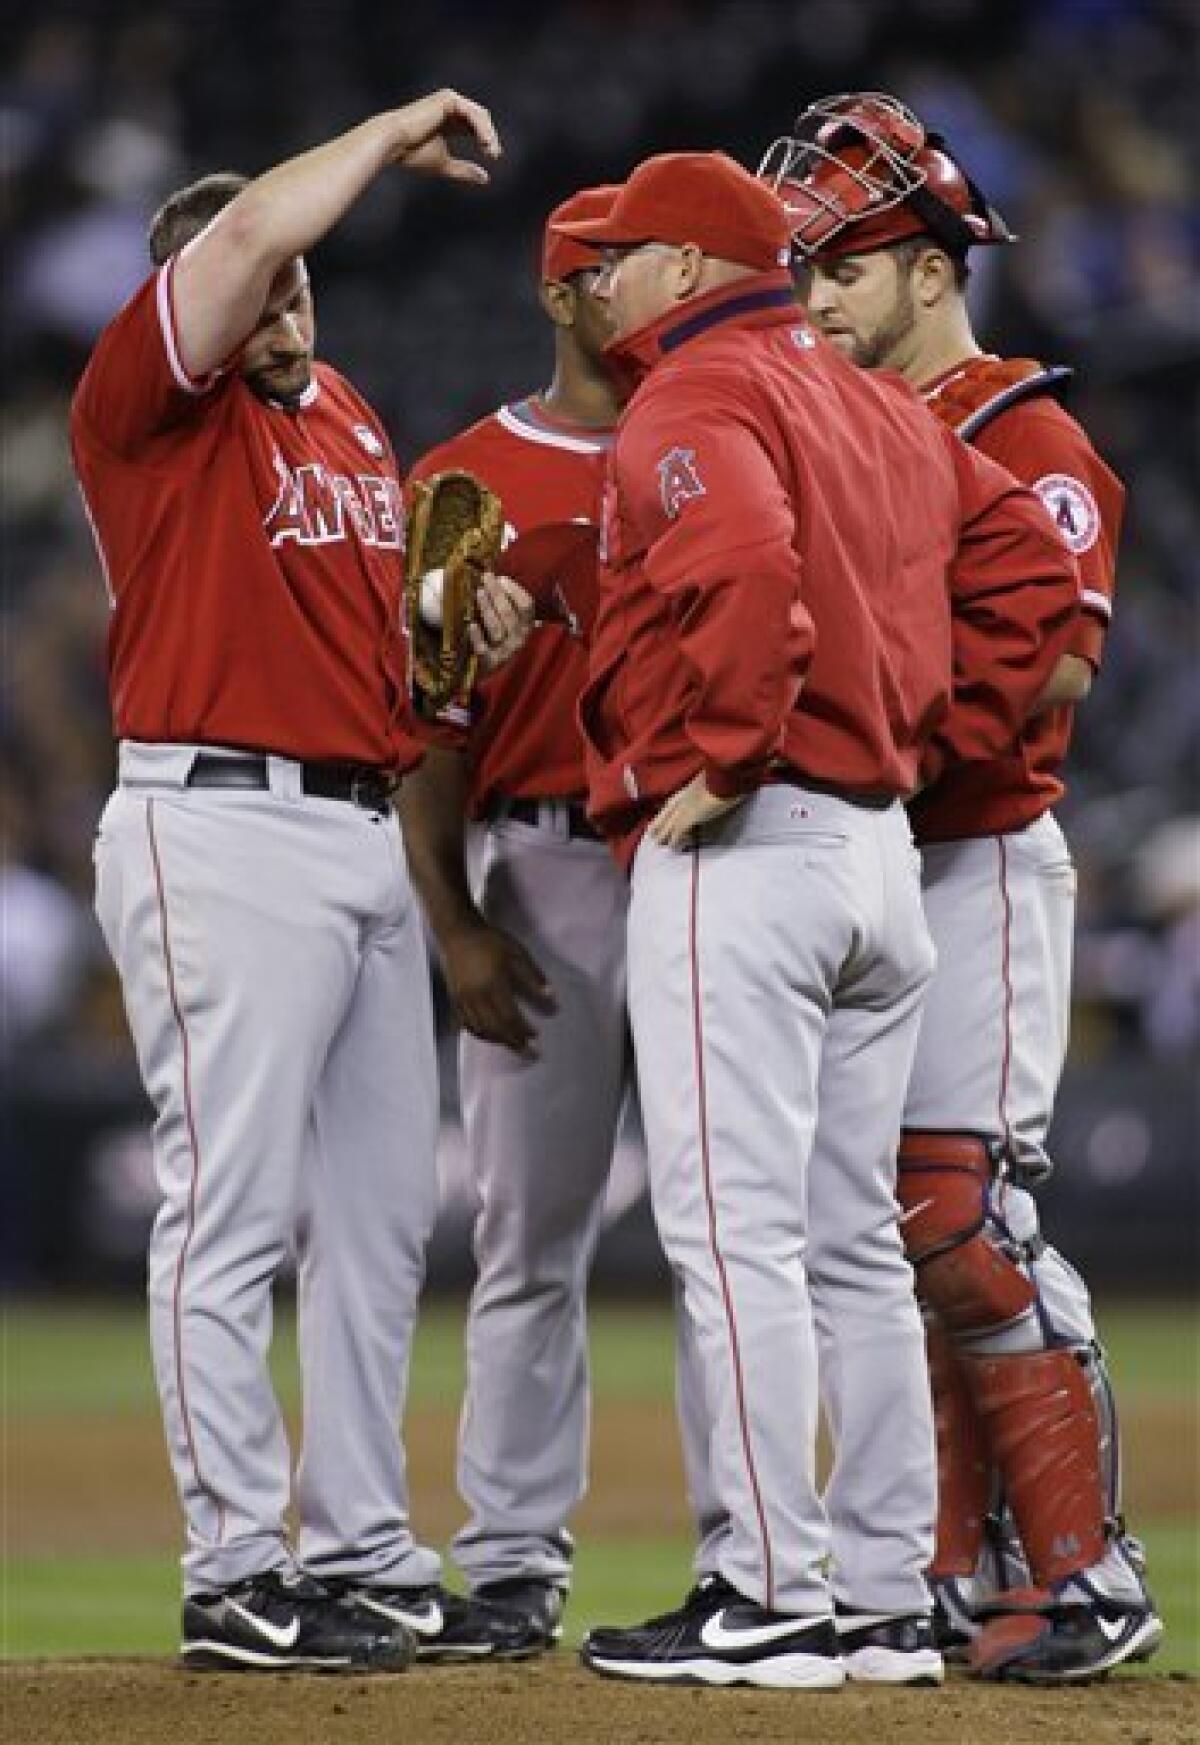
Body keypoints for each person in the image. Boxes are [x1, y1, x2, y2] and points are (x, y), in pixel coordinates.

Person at [553, 150, 1081, 1690]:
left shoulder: (697, 397)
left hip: (757, 850)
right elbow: (1033, 576)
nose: (608, 282)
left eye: (628, 255)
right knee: (853, 1245)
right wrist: (919, 738)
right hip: (874, 858)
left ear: (694, 269)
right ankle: (875, 1598)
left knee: (737, 1236)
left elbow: (742, 565)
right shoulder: (877, 405)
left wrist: (726, 750)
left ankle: (770, 1594)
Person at [70, 90, 544, 1674]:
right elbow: (262, 222)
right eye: (259, 282)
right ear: (190, 293)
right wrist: (397, 126)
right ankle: (231, 1566)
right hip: (216, 825)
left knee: (377, 1221)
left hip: (355, 828)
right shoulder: (147, 402)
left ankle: (356, 1548)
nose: (288, 300)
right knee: (231, 1214)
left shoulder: (344, 415)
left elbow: (383, 666)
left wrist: (458, 649)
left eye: (300, 287)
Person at [766, 89, 1163, 1682]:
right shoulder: (848, 426)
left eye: (844, 266)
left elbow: (1053, 662)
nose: (815, 301)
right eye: (801, 271)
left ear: (934, 267)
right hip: (874, 857)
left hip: (976, 854)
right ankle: (950, 1558)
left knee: (959, 1213)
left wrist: (860, 741)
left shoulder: (1025, 434)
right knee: (887, 1232)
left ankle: (1083, 1567)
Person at [397, 185, 631, 1650]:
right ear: (562, 296)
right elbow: (431, 732)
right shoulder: (472, 475)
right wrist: (454, 925)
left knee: (768, 1238)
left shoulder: (731, 440)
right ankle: (514, 1561)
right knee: (530, 1237)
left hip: (705, 860)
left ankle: (774, 1558)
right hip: (539, 865)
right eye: (620, 276)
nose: (655, 295)